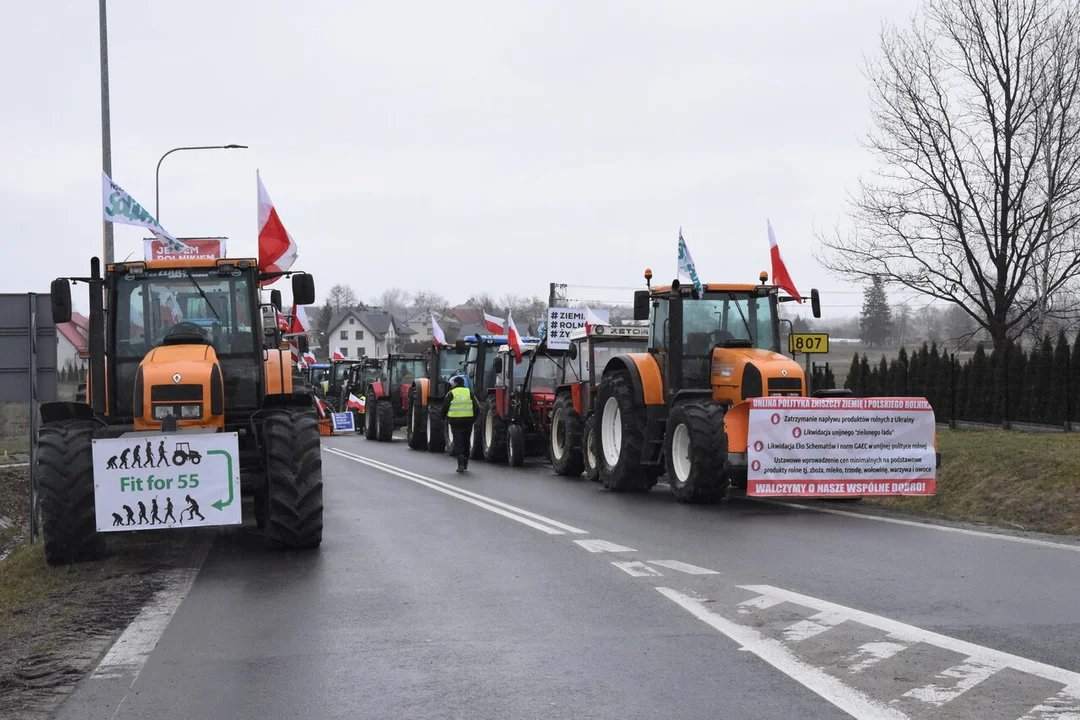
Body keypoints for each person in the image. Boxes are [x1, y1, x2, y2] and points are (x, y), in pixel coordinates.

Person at [442, 375, 480, 473]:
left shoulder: (451, 393)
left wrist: (443, 417)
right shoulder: (469, 393)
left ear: (454, 384)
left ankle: (461, 464)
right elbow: (477, 407)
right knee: (466, 441)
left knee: (458, 442)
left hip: (455, 422)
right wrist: (473, 419)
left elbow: (445, 407)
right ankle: (466, 461)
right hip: (468, 421)